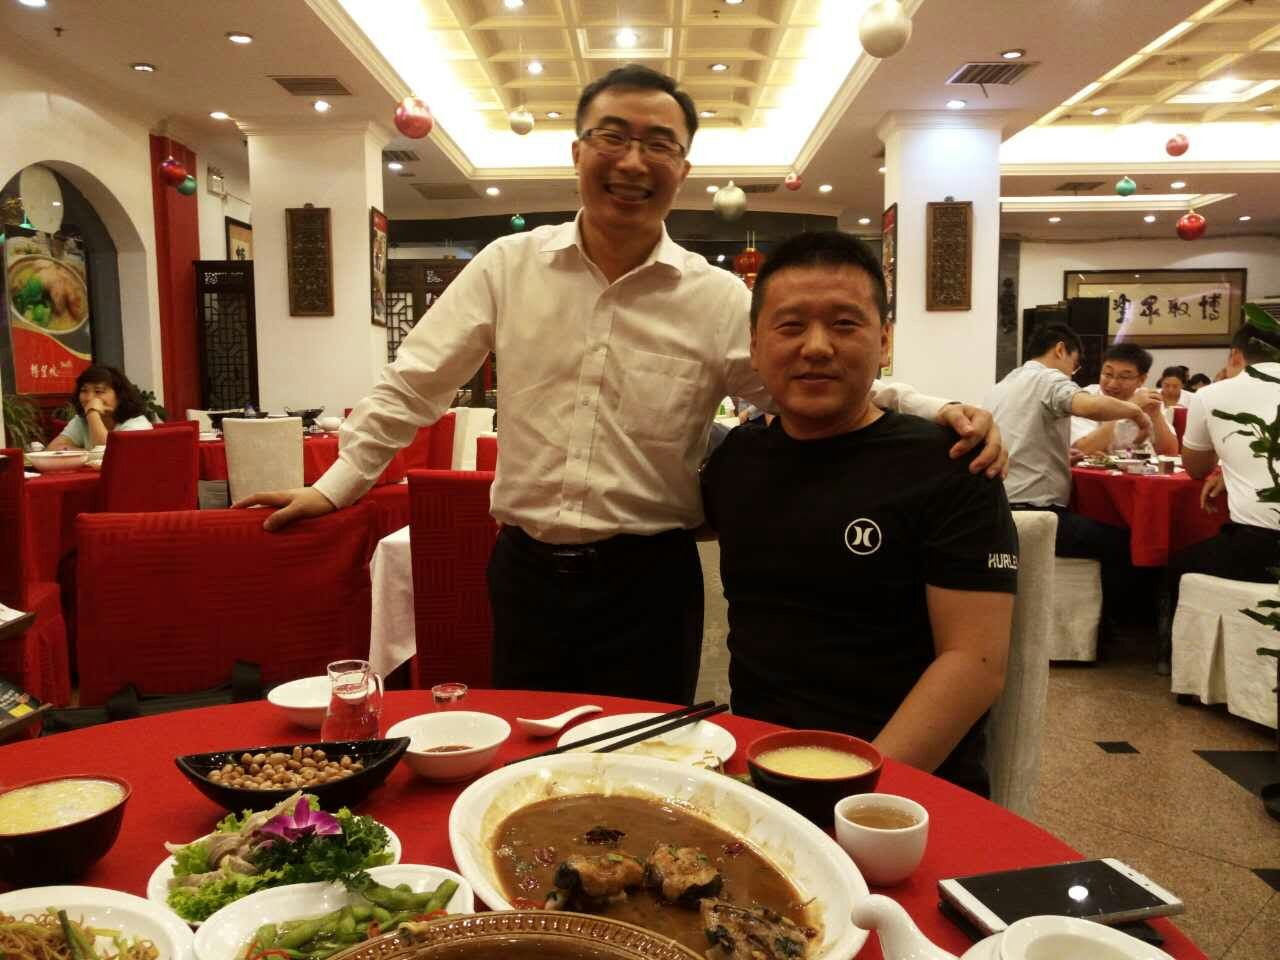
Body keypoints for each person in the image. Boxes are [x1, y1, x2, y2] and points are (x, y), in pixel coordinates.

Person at [237, 64, 1007, 704]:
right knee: (530, 756)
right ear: (578, 151)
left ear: (683, 169)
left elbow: (807, 381)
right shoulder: (509, 267)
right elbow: (414, 385)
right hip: (526, 572)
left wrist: (934, 409)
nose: (634, 162)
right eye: (613, 137)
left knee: (643, 769)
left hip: (650, 584)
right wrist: (335, 486)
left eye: (659, 145)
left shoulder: (715, 299)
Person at [700, 232, 1017, 796]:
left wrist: (854, 791)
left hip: (904, 789)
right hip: (758, 766)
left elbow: (974, 664)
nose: (817, 347)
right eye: (790, 326)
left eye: (845, 324)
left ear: (884, 341)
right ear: (755, 345)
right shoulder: (738, 459)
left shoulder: (950, 463)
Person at [1161, 322, 1280, 672]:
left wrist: (1222, 467)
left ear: (1235, 355)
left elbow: (1195, 467)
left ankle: (1177, 664)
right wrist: (1228, 473)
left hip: (1259, 549)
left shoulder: (1212, 395)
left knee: (1176, 565)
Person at [985, 323, 1150, 564]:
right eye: (1074, 365)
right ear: (1060, 350)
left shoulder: (1003, 385)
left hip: (997, 513)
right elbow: (1090, 407)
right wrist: (1136, 411)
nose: (1072, 374)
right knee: (1133, 544)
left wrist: (1060, 457)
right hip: (1036, 515)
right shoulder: (1048, 378)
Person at [1070, 342, 1177, 456]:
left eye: (1123, 377)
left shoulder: (1147, 399)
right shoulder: (1086, 398)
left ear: (1141, 379)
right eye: (1108, 374)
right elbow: (1081, 450)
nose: (1112, 384)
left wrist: (1156, 416)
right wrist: (1128, 408)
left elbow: (1170, 454)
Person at [47, 365, 152, 451]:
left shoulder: (136, 424)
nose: (89, 398)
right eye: (84, 391)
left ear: (120, 395)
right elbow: (53, 448)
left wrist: (92, 413)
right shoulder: (81, 420)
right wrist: (86, 453)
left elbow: (107, 456)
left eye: (98, 391)